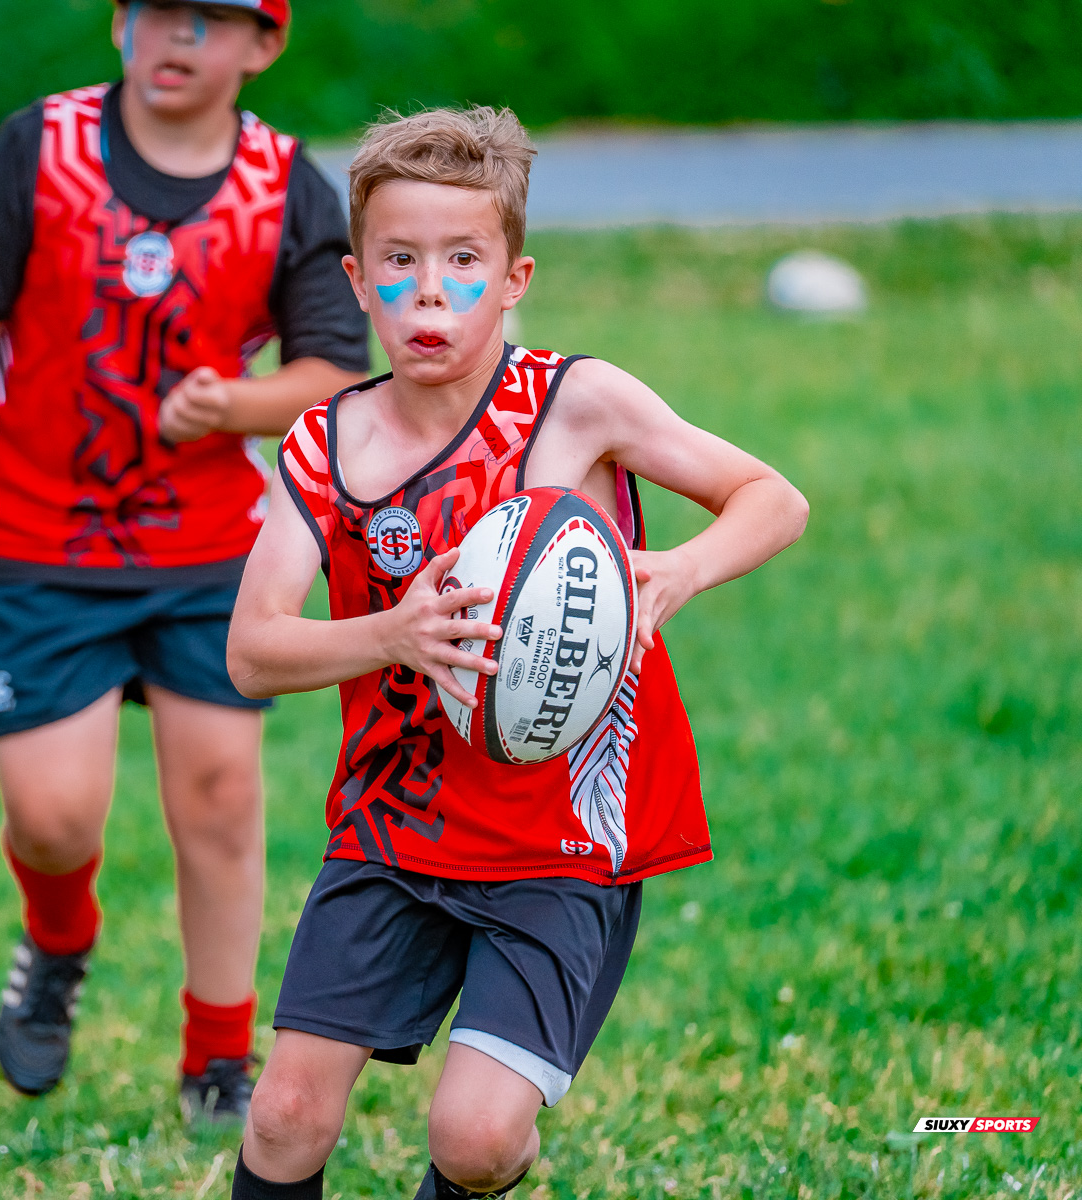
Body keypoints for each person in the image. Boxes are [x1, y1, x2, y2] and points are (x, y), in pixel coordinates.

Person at [224, 107, 809, 1198]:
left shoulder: (576, 403)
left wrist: (677, 570)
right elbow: (254, 651)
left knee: (477, 1141)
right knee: (287, 1115)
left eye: (463, 260)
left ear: (514, 278)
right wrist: (393, 634)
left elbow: (773, 498)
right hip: (396, 821)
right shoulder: (327, 443)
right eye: (399, 261)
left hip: (558, 840)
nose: (430, 292)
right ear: (357, 282)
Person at [0, 0, 369, 1119]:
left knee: (220, 794)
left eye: (214, 19)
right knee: (53, 818)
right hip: (37, 537)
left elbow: (333, 374)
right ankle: (58, 939)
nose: (180, 38)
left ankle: (218, 1055)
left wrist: (237, 404)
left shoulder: (287, 185)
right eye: (159, 11)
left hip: (211, 545)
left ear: (264, 46)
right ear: (121, 23)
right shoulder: (39, 150)